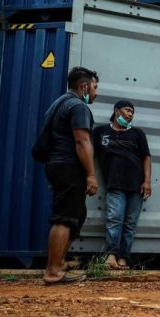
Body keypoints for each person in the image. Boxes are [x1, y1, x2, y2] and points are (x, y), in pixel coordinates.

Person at [42, 67, 99, 284]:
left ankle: (60, 264)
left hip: (57, 165)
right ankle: (53, 271)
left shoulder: (58, 104)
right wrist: (91, 174)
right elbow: (81, 141)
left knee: (76, 215)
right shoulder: (77, 106)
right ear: (84, 86)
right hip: (68, 166)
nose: (95, 92)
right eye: (94, 87)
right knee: (65, 218)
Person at [92, 100, 152, 270]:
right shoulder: (100, 132)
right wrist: (89, 175)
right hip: (114, 184)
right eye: (127, 110)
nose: (130, 114)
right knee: (114, 219)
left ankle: (123, 258)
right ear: (117, 111)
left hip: (136, 186)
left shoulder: (137, 134)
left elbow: (146, 157)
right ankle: (111, 256)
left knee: (130, 223)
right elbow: (89, 152)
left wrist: (147, 181)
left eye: (132, 112)